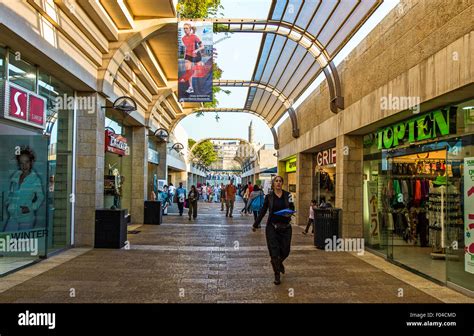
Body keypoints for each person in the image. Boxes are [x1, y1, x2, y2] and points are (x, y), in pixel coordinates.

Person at [252, 176, 295, 285]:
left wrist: (289, 212)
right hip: (272, 227)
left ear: (282, 183)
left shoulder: (288, 195)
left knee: (286, 250)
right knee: (274, 252)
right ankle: (277, 275)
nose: (278, 183)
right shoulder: (269, 197)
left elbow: (292, 207)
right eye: (276, 181)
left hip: (286, 227)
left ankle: (278, 263)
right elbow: (263, 211)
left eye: (280, 181)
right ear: (273, 184)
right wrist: (256, 224)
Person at [4, 147, 45, 232]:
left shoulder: (35, 179)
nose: (24, 165)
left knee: (23, 244)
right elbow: (11, 193)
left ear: (31, 162)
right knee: (7, 240)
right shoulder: (15, 176)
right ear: (19, 164)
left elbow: (41, 197)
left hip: (26, 218)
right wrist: (8, 204)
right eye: (21, 163)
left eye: (27, 162)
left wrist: (30, 208)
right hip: (13, 216)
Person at [180, 23, 205, 94]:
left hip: (196, 55)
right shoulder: (183, 38)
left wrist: (196, 50)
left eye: (186, 28)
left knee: (199, 70)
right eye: (184, 28)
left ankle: (201, 64)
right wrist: (185, 55)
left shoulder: (194, 37)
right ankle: (191, 87)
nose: (185, 30)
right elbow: (187, 47)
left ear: (190, 29)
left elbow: (202, 46)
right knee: (188, 72)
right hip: (188, 56)